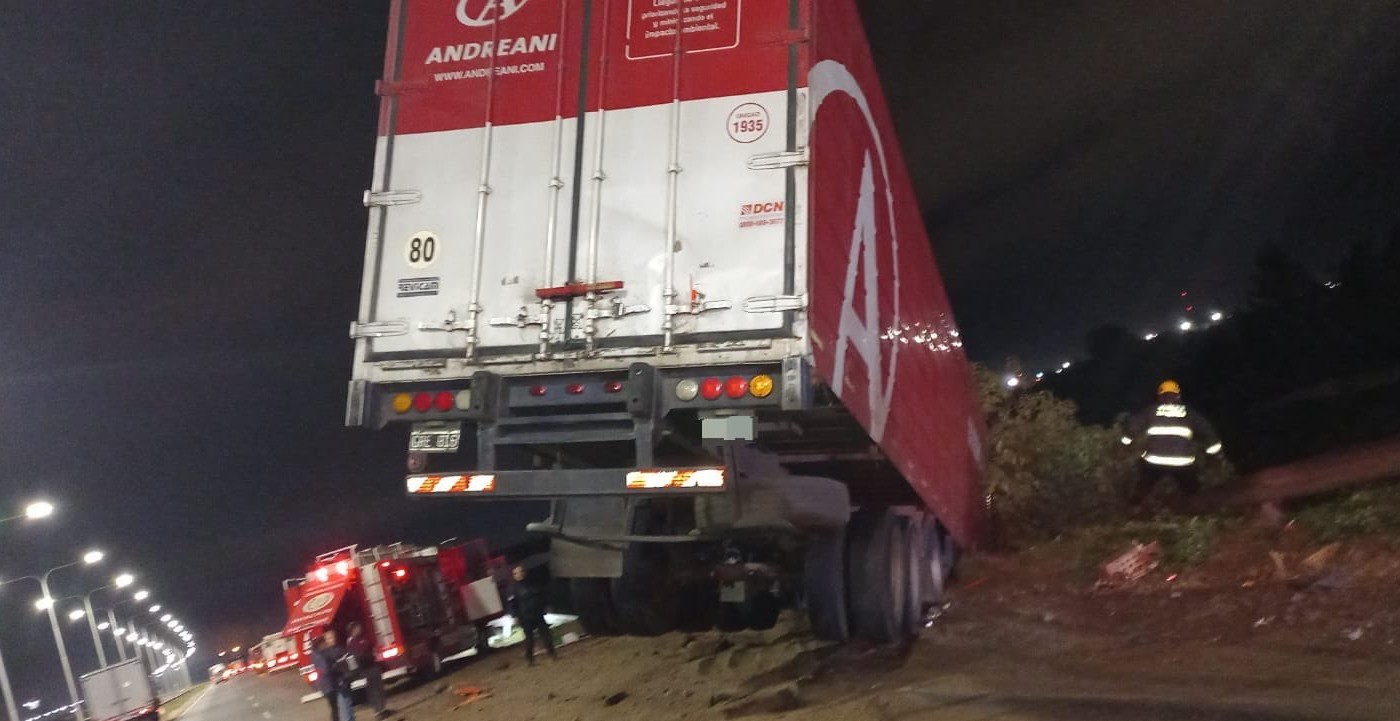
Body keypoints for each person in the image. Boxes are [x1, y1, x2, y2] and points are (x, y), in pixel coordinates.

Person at [1122, 379, 1223, 506]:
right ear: (1178, 395)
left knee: (1143, 485)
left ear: (1160, 396)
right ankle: (1197, 507)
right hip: (1182, 462)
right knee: (1193, 490)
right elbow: (1207, 431)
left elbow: (1133, 427)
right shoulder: (1189, 413)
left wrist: (1126, 442)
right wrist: (1214, 454)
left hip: (1154, 461)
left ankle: (1132, 508)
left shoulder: (1151, 411)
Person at [506, 565, 556, 666]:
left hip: (537, 614)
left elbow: (541, 596)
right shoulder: (513, 589)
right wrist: (514, 616)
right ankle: (530, 660)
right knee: (529, 639)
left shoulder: (533, 584)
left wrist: (546, 606)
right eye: (517, 573)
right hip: (525, 617)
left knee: (546, 635)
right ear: (514, 575)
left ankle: (552, 654)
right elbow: (511, 604)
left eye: (521, 572)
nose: (520, 574)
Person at [347, 622, 391, 719]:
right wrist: (367, 649)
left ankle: (382, 709)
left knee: (379, 688)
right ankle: (377, 711)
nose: (359, 629)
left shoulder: (363, 638)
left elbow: (371, 646)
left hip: (373, 666)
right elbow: (359, 655)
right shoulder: (352, 642)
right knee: (373, 690)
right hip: (366, 669)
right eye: (357, 628)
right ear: (352, 630)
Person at [312, 630, 355, 721]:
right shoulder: (322, 655)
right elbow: (326, 669)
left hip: (341, 681)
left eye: (333, 637)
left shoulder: (338, 649)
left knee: (345, 705)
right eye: (329, 638)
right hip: (333, 684)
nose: (332, 639)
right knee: (339, 708)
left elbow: (347, 662)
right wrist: (336, 664)